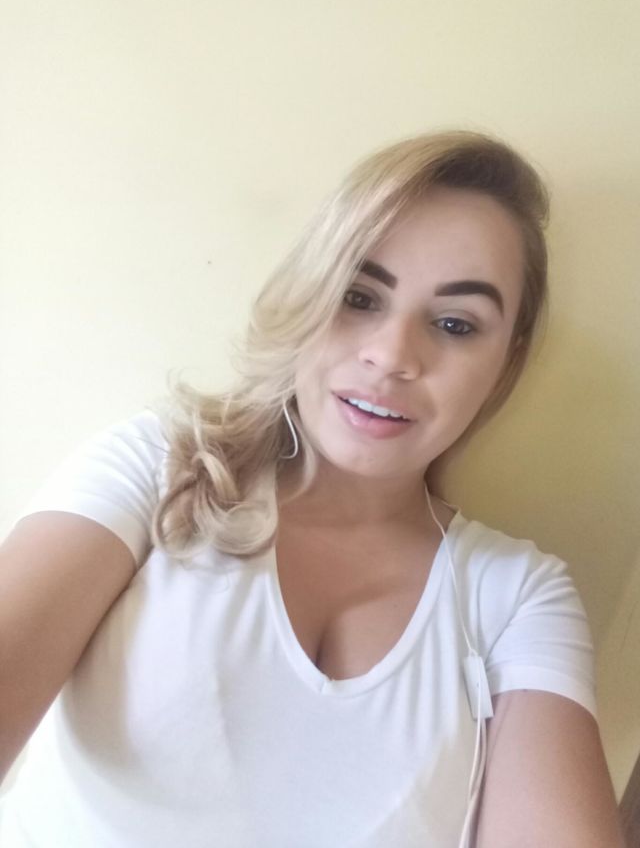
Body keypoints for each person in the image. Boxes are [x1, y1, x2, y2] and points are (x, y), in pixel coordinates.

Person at [0, 131, 626, 847]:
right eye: (359, 297)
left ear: (504, 364)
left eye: (455, 324)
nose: (391, 356)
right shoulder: (158, 471)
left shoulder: (516, 599)